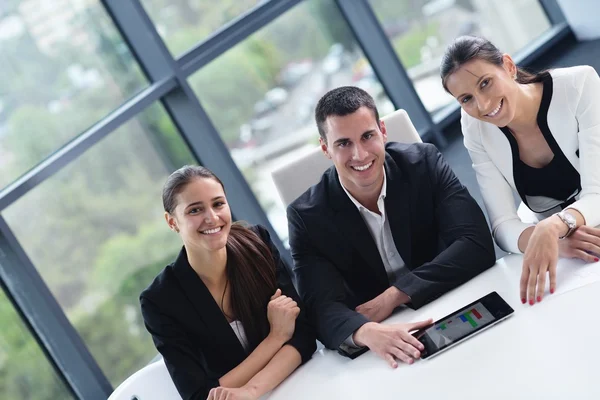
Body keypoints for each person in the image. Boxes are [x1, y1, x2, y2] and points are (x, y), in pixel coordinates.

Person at [287, 86, 496, 368]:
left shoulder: (424, 162)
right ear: (325, 148)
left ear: (382, 131)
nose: (359, 155)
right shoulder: (307, 217)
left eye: (367, 136)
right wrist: (365, 331)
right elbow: (321, 308)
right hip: (379, 342)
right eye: (343, 143)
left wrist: (394, 295)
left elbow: (476, 243)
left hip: (450, 304)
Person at [441, 36, 600, 306]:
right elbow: (501, 225)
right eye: (466, 98)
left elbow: (597, 191)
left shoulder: (578, 84)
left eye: (485, 83)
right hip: (578, 247)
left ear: (508, 66)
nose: (483, 105)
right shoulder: (474, 127)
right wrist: (555, 242)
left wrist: (554, 226)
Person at [140, 166, 316, 400]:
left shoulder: (257, 243)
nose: (211, 217)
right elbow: (200, 395)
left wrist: (251, 390)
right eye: (195, 210)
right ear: (172, 222)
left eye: (218, 204)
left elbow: (303, 335)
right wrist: (276, 337)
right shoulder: (160, 301)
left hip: (301, 384)